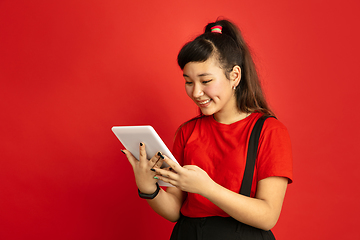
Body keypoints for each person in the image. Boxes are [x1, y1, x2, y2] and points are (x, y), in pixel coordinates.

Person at [122, 19, 293, 240]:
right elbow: (175, 210)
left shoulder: (269, 131)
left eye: (206, 81)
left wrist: (207, 188)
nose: (196, 93)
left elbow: (268, 216)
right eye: (189, 82)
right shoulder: (187, 132)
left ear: (235, 76)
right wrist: (149, 189)